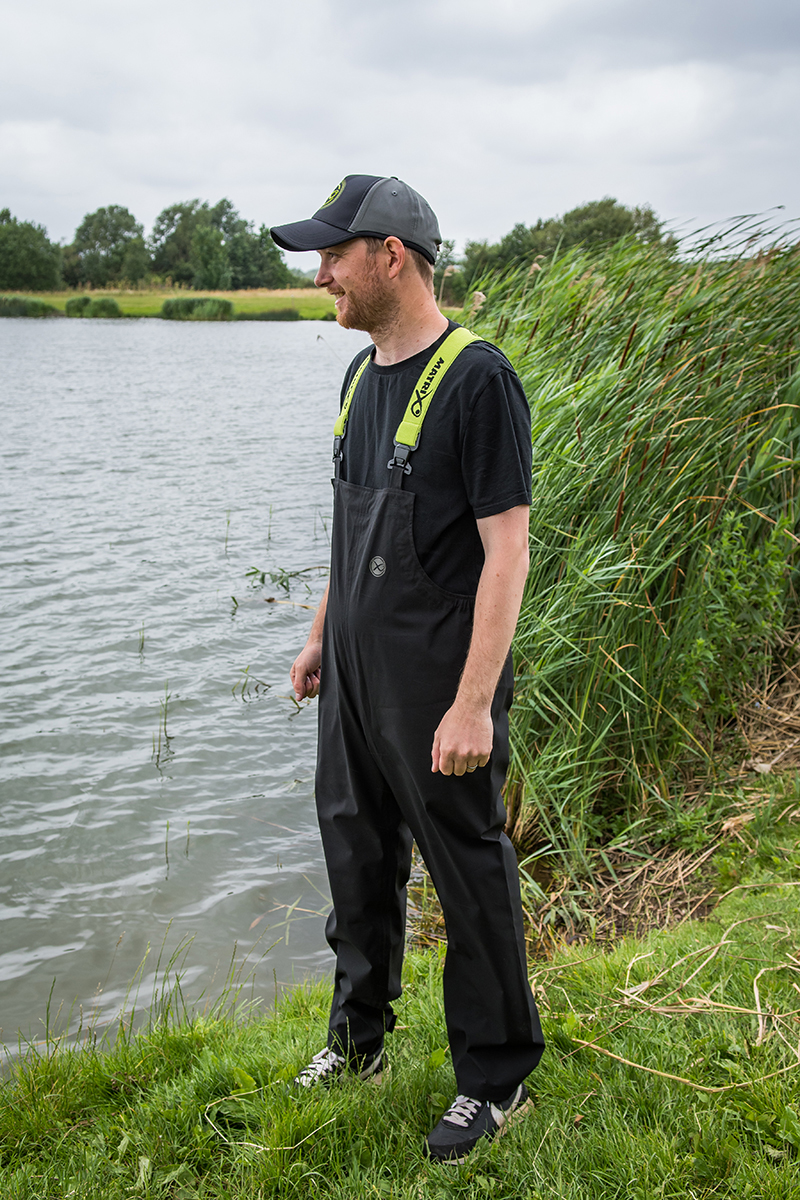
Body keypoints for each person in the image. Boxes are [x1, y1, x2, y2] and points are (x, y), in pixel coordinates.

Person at [271, 175, 544, 1162]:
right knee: (355, 857)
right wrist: (319, 636)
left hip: (437, 680)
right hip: (352, 671)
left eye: (333, 255)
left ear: (391, 255)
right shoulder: (357, 379)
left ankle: (497, 1078)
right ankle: (358, 1043)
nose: (320, 275)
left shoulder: (477, 380)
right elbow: (351, 530)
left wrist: (474, 705)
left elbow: (507, 553)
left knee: (466, 871)